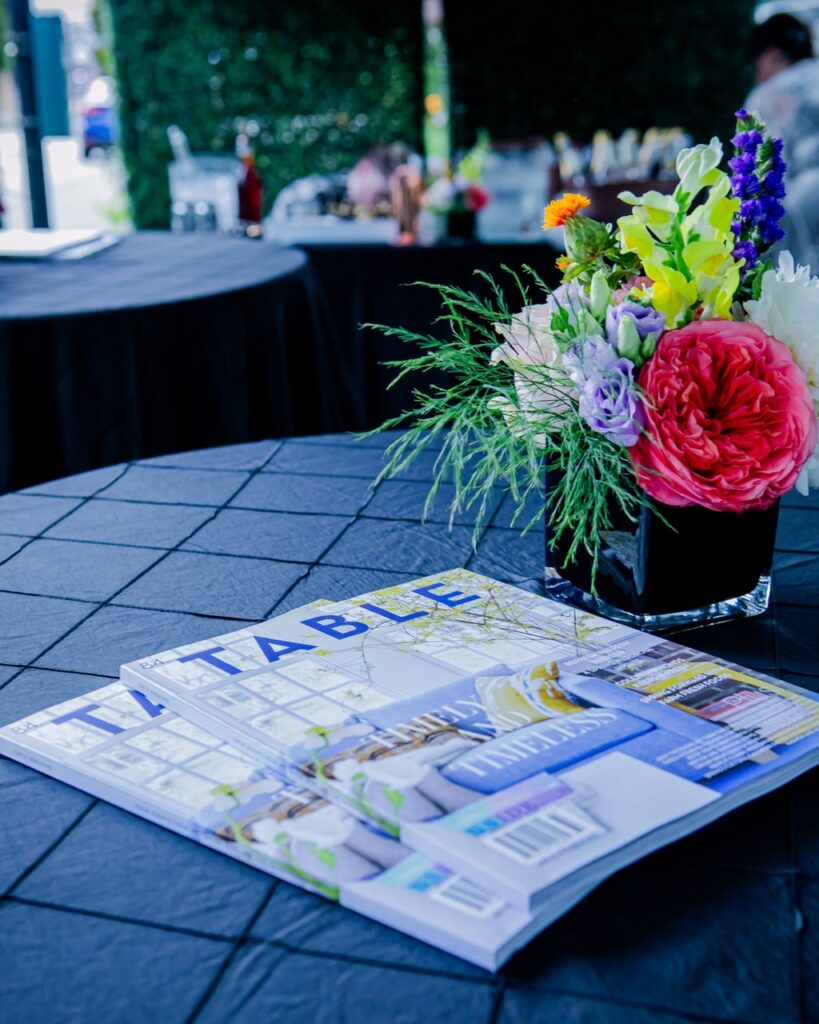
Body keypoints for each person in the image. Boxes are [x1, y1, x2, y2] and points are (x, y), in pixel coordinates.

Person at [745, 13, 819, 270]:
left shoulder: (766, 95)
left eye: (757, 63)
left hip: (806, 211)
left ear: (774, 56)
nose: (758, 74)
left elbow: (765, 176)